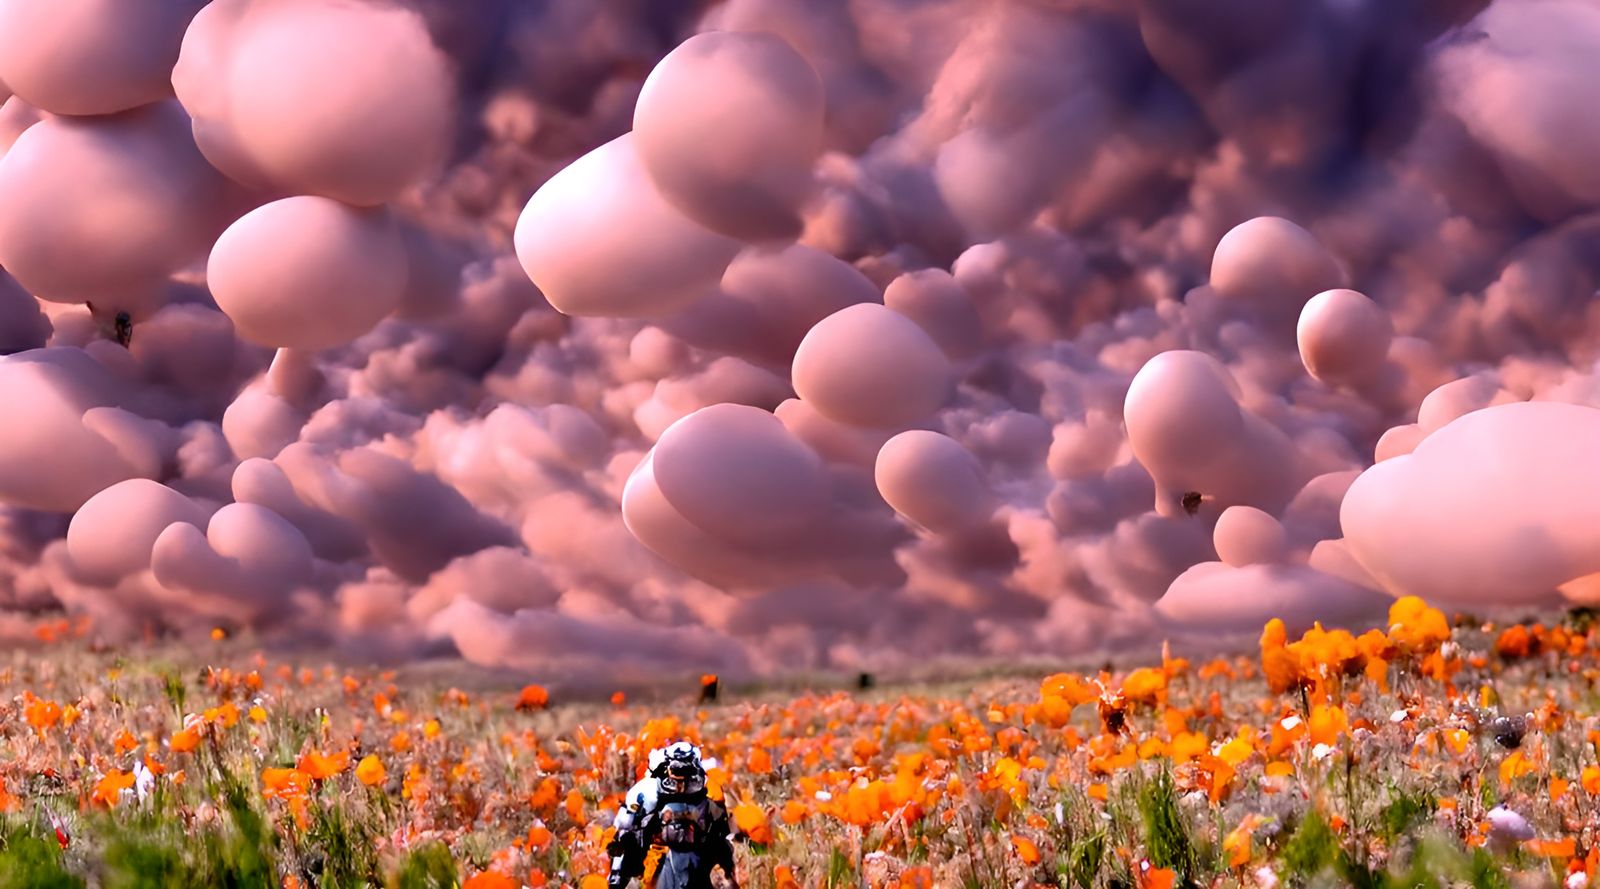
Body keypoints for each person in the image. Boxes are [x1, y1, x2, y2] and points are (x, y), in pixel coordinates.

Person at [606, 741, 739, 888]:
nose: (680, 780)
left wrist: (728, 872)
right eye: (677, 770)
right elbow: (625, 832)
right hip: (656, 861)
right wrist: (617, 878)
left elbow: (723, 834)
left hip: (700, 862)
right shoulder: (648, 792)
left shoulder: (710, 792)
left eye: (685, 770)